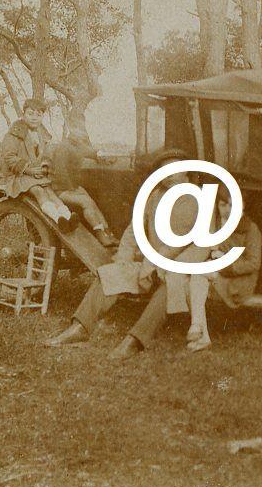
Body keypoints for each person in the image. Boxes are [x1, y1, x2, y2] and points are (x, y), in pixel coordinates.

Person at [44, 149, 198, 359]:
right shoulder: (156, 195)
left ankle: (134, 341)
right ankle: (80, 328)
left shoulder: (196, 199)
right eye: (163, 170)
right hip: (150, 264)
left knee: (170, 287)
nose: (168, 175)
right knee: (110, 273)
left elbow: (183, 243)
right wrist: (124, 257)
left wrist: (155, 262)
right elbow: (134, 230)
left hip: (181, 267)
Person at [163, 190, 262, 352]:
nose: (228, 210)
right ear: (217, 205)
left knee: (197, 276)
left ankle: (198, 328)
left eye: (233, 205)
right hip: (215, 274)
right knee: (194, 280)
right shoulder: (215, 225)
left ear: (243, 206)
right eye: (223, 205)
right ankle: (201, 333)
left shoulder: (251, 229)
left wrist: (224, 262)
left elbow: (253, 263)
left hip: (238, 280)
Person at [0, 98, 76, 231]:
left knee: (50, 193)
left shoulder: (43, 135)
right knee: (39, 191)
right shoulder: (14, 134)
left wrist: (43, 168)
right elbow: (9, 157)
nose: (34, 118)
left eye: (38, 115)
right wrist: (28, 170)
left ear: (42, 117)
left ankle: (68, 217)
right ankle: (58, 219)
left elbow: (47, 156)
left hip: (37, 175)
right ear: (23, 114)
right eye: (30, 113)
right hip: (18, 176)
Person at [49, 125, 118, 247]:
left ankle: (108, 233)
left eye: (81, 130)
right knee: (86, 202)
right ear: (71, 130)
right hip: (60, 189)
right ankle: (100, 235)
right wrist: (71, 189)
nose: (80, 133)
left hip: (72, 187)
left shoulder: (77, 145)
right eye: (77, 130)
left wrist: (102, 157)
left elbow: (90, 152)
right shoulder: (63, 147)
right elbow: (60, 171)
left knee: (92, 203)